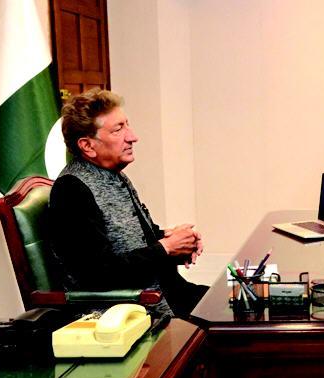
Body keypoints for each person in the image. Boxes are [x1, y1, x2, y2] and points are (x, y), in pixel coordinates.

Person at [49, 89, 208, 318]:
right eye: (118, 130)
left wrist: (179, 243)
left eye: (127, 125)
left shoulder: (115, 175)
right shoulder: (71, 190)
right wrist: (165, 247)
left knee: (240, 302)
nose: (133, 137)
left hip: (170, 294)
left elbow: (136, 241)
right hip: (130, 313)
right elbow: (98, 274)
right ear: (87, 146)